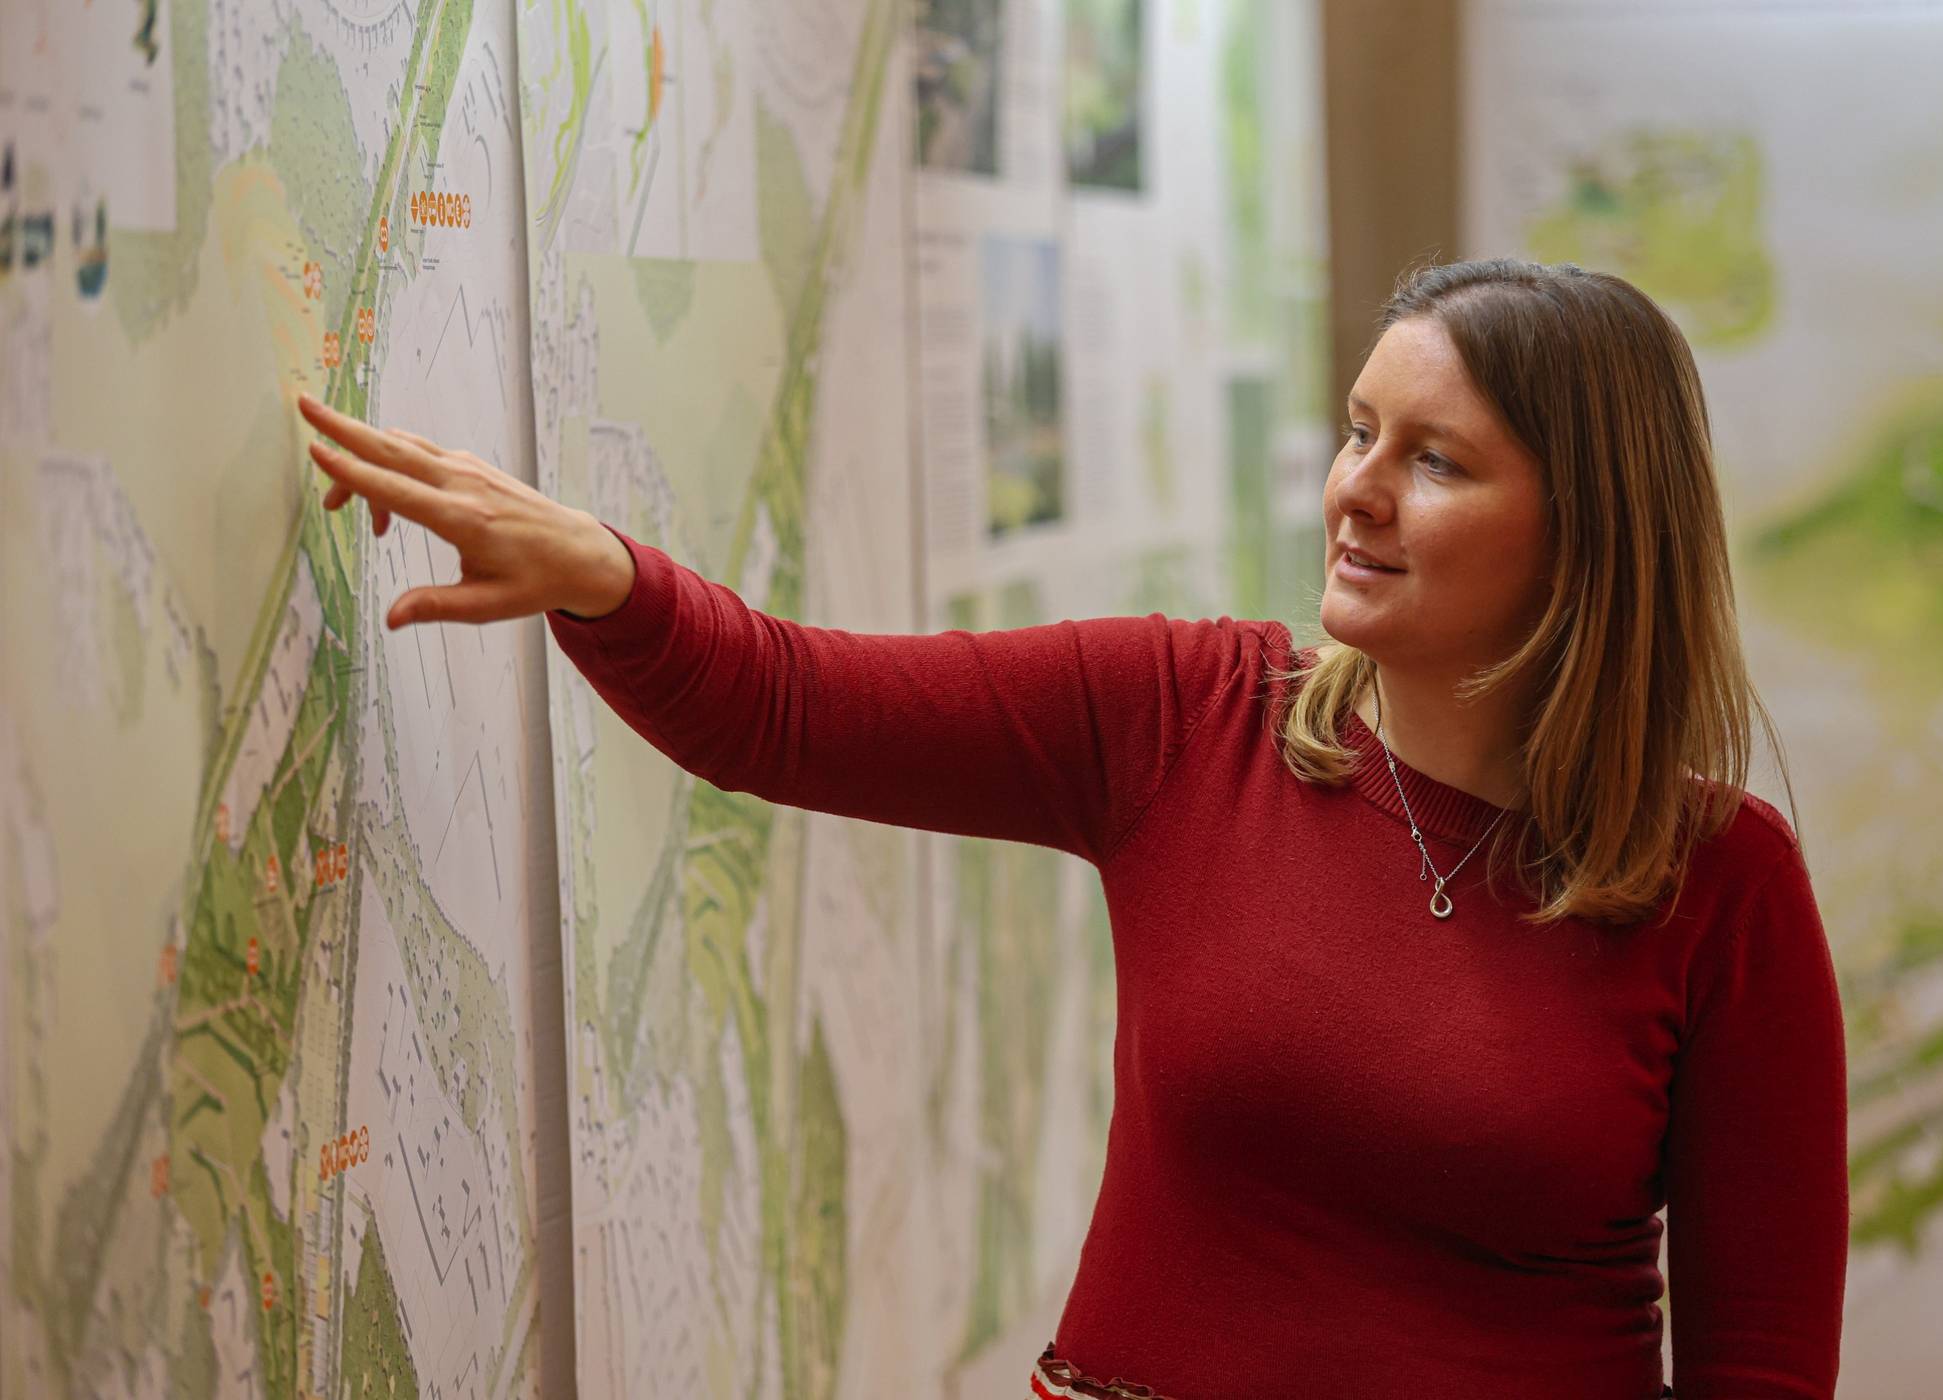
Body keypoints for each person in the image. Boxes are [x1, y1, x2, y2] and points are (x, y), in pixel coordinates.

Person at [299, 257, 1849, 1399]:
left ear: (1590, 533)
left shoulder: (1716, 882)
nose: (1356, 493)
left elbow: (1760, 1363)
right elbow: (790, 708)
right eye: (1357, 432)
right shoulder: (1186, 717)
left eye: (1434, 460)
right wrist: (600, 572)